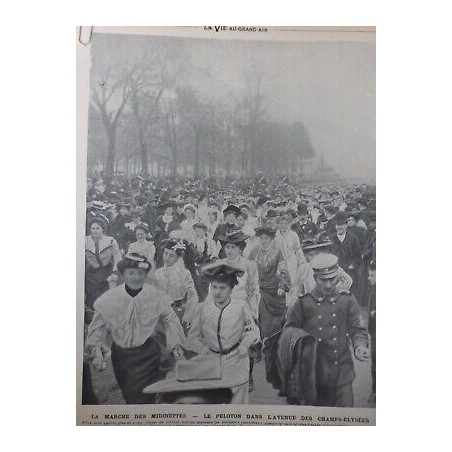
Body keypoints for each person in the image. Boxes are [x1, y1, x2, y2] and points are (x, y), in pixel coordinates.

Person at [85, 253, 186, 404]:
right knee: (132, 397)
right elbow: (98, 324)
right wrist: (96, 349)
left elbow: (170, 317)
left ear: (145, 275)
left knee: (150, 396)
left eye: (140, 273)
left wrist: (176, 343)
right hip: (123, 357)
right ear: (124, 274)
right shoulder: (110, 298)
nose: (136, 278)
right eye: (131, 273)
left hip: (150, 354)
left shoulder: (155, 295)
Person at [283, 253, 370, 407]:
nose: (329, 285)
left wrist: (360, 346)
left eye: (332, 279)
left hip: (342, 375)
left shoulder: (347, 301)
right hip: (313, 376)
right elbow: (289, 330)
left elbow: (358, 330)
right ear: (315, 279)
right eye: (324, 280)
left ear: (337, 278)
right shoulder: (303, 304)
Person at [185, 262, 261, 403]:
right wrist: (204, 350)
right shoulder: (201, 309)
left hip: (236, 359)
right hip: (210, 362)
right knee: (213, 404)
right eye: (214, 287)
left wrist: (244, 346)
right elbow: (191, 339)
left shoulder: (241, 306)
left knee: (237, 405)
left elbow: (254, 331)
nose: (217, 292)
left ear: (231, 289)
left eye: (222, 288)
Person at [288, 234, 353, 307]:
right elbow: (295, 291)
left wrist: (336, 288)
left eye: (317, 254)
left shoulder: (330, 266)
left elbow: (348, 281)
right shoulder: (304, 269)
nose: (315, 257)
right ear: (306, 256)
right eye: (311, 255)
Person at [248, 227, 289, 341]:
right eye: (261, 238)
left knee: (276, 319)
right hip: (260, 288)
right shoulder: (254, 251)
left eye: (266, 238)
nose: (263, 240)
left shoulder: (278, 251)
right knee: (261, 314)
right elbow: (248, 269)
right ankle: (262, 341)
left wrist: (281, 286)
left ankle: (277, 339)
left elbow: (282, 270)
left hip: (274, 289)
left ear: (271, 239)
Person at [153, 238, 199, 332]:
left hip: (178, 311)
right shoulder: (157, 273)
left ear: (177, 258)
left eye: (171, 255)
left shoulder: (184, 273)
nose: (167, 258)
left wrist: (187, 315)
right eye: (165, 253)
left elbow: (193, 295)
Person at [85, 218, 122, 323]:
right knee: (92, 299)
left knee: (108, 297)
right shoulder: (85, 241)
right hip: (91, 273)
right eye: (92, 228)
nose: (95, 231)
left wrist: (115, 272)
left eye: (98, 228)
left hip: (107, 271)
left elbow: (117, 257)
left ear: (103, 229)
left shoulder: (110, 241)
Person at [329, 211, 362, 297]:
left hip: (350, 273)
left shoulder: (353, 238)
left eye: (342, 225)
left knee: (349, 298)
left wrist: (353, 265)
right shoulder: (330, 239)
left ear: (346, 225)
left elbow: (358, 255)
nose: (339, 227)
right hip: (334, 274)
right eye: (337, 225)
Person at [367, 259, 376, 404]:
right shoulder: (374, 290)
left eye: (372, 275)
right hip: (374, 332)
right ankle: (375, 391)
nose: (369, 278)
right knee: (375, 363)